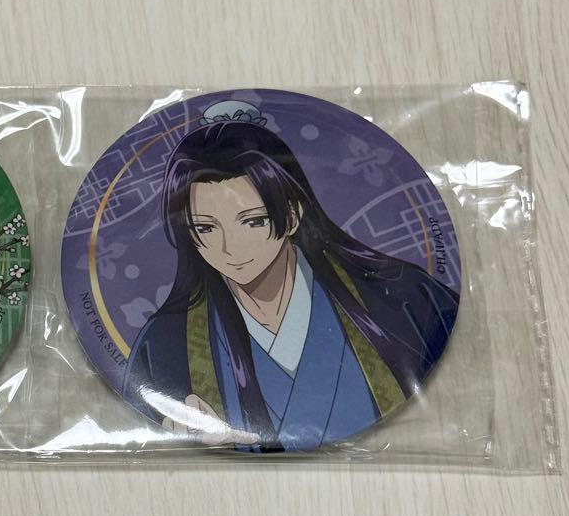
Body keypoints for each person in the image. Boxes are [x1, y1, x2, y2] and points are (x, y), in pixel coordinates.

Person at [124, 101, 460, 451]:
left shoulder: (403, 299)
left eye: (253, 221)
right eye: (206, 228)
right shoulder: (164, 344)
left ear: (293, 214)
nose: (229, 248)